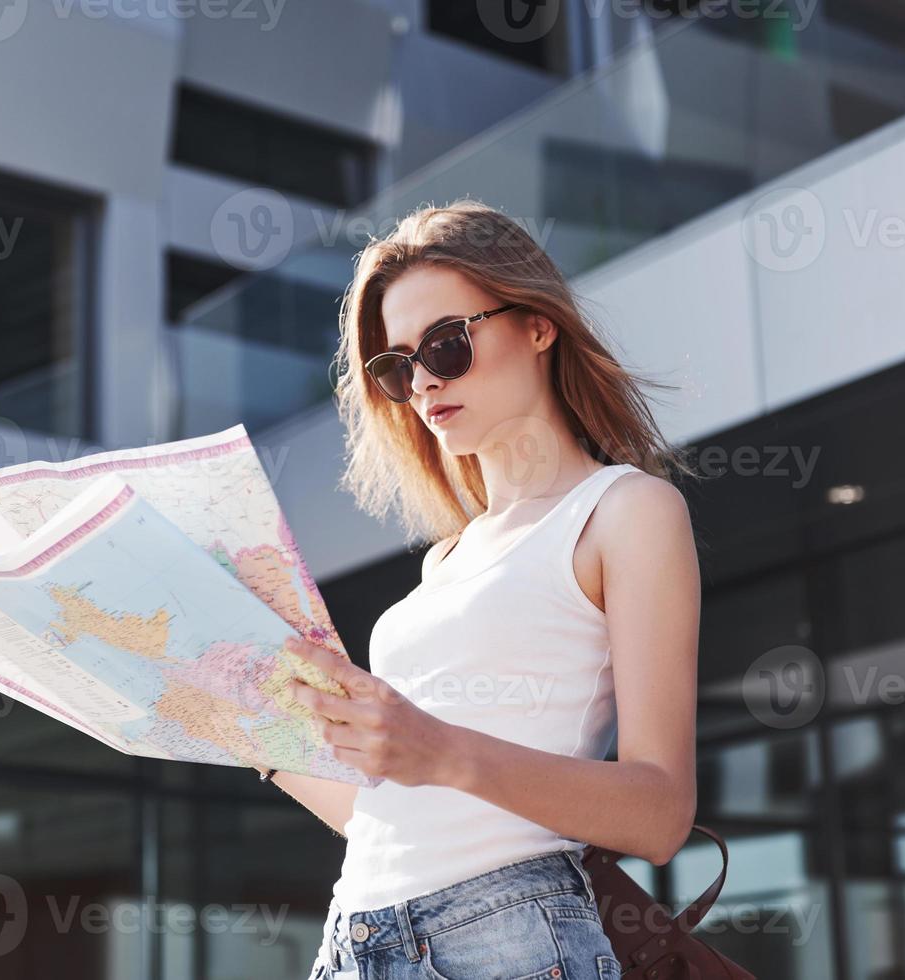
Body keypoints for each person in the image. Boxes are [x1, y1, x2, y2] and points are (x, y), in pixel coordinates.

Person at [253, 199, 703, 979]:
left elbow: (659, 814)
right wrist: (255, 737)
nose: (422, 383)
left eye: (446, 345)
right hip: (354, 943)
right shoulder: (447, 559)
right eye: (396, 368)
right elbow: (392, 814)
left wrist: (437, 749)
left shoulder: (625, 511)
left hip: (502, 939)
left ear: (537, 324)